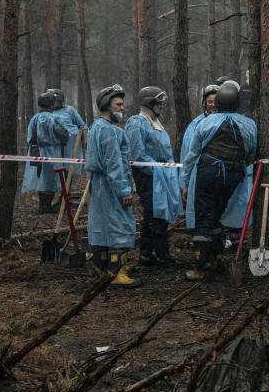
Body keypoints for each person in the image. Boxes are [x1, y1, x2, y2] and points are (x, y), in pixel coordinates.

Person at [181, 80, 258, 280]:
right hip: (233, 176)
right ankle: (215, 260)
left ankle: (201, 266)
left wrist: (185, 182)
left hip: (208, 174)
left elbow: (192, 155)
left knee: (204, 218)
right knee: (216, 216)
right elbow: (250, 154)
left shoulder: (205, 122)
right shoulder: (249, 125)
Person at [85, 84, 141, 287]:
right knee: (120, 226)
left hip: (99, 185)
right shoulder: (108, 131)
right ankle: (117, 273)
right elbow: (114, 164)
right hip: (110, 186)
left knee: (101, 226)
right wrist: (124, 190)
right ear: (107, 107)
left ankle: (101, 271)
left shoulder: (96, 127)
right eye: (118, 104)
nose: (122, 108)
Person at [124, 87, 182, 267]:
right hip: (148, 176)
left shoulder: (156, 122)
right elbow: (137, 154)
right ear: (149, 103)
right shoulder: (137, 122)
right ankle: (160, 255)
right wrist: (158, 169)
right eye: (158, 102)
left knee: (157, 215)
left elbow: (164, 151)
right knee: (154, 214)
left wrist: (168, 170)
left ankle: (148, 255)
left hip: (161, 175)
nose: (162, 105)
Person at [22, 92, 75, 213]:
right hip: (50, 152)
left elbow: (30, 136)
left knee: (42, 177)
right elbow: (63, 134)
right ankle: (45, 207)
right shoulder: (53, 118)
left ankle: (44, 205)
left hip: (35, 152)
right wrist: (64, 139)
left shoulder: (34, 118)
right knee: (48, 179)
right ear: (51, 105)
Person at [47, 88, 88, 174]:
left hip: (71, 148)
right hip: (55, 149)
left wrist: (86, 142)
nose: (51, 103)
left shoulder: (69, 110)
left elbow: (82, 126)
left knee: (67, 174)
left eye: (53, 100)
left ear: (59, 100)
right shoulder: (46, 114)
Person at [181, 84, 219, 162]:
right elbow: (188, 151)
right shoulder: (195, 124)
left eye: (216, 102)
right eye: (210, 102)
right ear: (204, 103)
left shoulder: (227, 121)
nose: (213, 105)